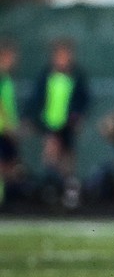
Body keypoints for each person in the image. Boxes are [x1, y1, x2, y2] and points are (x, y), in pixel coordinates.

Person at [25, 38, 90, 209]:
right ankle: (50, 188)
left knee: (67, 158)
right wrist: (33, 119)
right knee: (51, 154)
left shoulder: (76, 76)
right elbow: (37, 99)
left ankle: (69, 190)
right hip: (51, 123)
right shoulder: (46, 75)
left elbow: (83, 100)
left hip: (68, 124)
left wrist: (77, 116)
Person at [0, 40, 29, 205]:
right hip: (3, 129)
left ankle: (7, 200)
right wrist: (9, 125)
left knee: (10, 164)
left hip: (7, 127)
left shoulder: (7, 79)